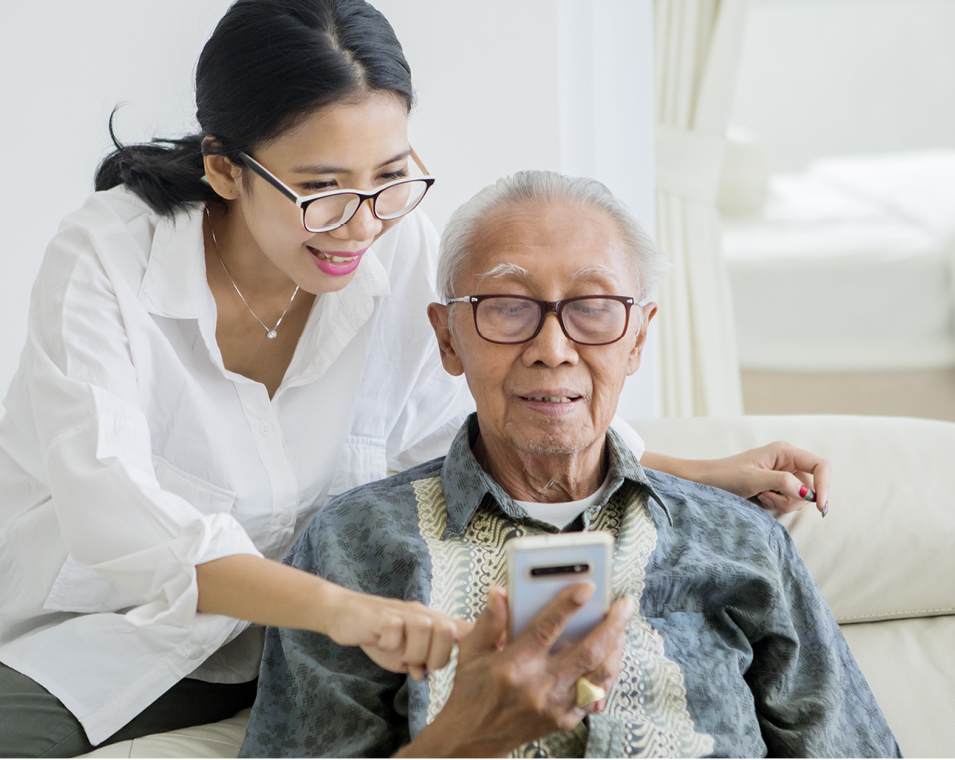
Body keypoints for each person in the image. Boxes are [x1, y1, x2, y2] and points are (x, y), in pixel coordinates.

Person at [0, 1, 829, 757]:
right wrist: (349, 613)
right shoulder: (109, 256)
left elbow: (475, 419)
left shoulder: (400, 249)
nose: (363, 223)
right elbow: (112, 517)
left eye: (390, 175)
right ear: (224, 168)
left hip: (225, 620)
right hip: (20, 566)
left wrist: (696, 470)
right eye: (319, 191)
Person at [239, 171, 898, 758]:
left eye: (592, 308)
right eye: (507, 307)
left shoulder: (745, 543)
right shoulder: (351, 547)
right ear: (447, 338)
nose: (552, 348)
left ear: (637, 339)